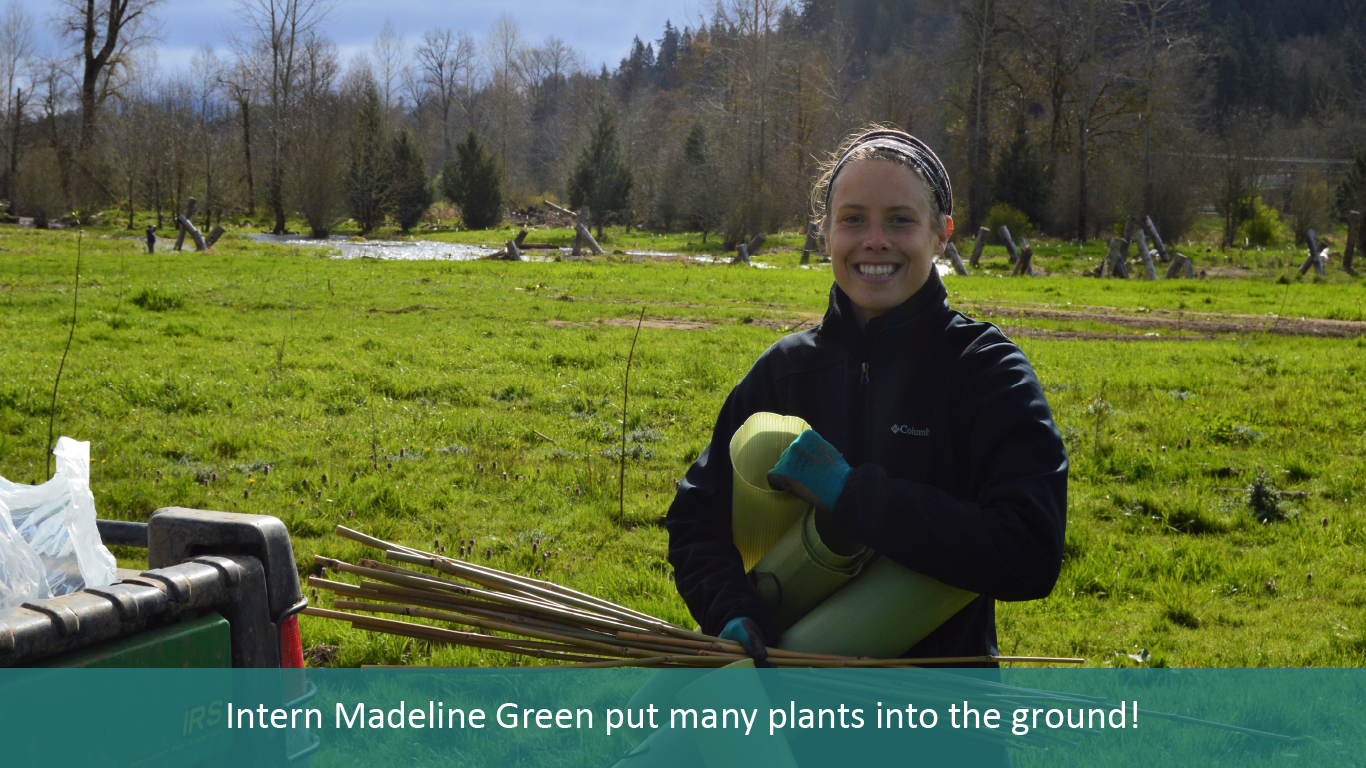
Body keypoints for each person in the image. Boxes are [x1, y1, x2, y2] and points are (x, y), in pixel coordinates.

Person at [665, 126, 1068, 669]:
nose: (874, 239)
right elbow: (696, 519)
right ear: (826, 232)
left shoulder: (986, 373)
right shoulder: (784, 373)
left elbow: (1030, 551)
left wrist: (851, 494)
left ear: (942, 234)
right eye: (853, 219)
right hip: (787, 711)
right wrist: (730, 609)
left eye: (900, 219)